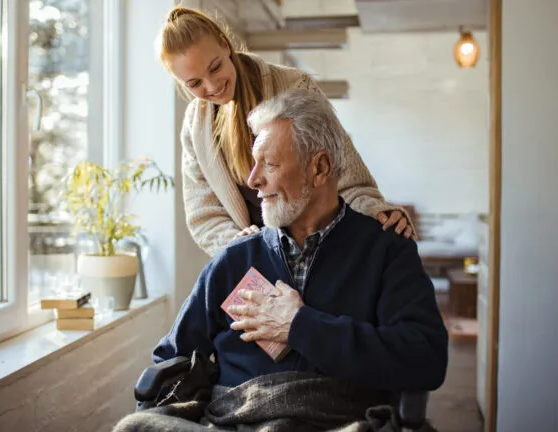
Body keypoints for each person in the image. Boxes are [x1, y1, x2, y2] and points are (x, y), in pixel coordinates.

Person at [127, 91, 448, 431]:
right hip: (233, 420)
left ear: (320, 168)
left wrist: (300, 326)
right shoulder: (236, 259)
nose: (253, 180)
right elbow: (172, 357)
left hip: (337, 421)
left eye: (269, 163)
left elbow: (425, 359)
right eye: (253, 163)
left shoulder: (386, 252)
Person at [158, 6, 414, 257]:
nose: (212, 86)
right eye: (194, 83)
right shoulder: (195, 126)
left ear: (225, 45)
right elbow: (204, 215)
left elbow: (344, 172)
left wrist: (377, 212)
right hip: (255, 261)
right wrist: (237, 245)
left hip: (320, 250)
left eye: (215, 68)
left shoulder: (295, 87)